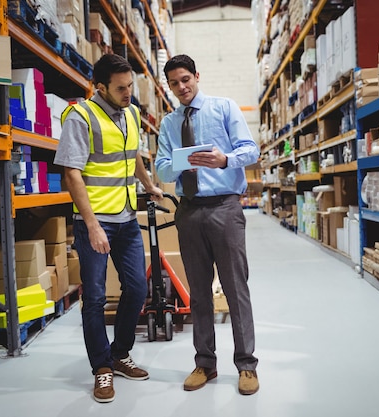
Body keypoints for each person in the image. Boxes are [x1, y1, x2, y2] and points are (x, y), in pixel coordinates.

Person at [54, 53, 163, 403]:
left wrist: (148, 185)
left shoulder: (131, 113)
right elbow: (72, 172)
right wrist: (91, 225)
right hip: (95, 222)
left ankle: (119, 353)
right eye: (120, 88)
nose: (128, 92)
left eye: (130, 85)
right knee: (96, 297)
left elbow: (133, 155)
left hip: (127, 217)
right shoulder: (81, 116)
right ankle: (101, 367)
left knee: (137, 287)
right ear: (100, 87)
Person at [154, 54, 260, 395]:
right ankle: (205, 364)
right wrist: (178, 166)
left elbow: (251, 150)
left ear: (197, 76)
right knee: (199, 293)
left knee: (235, 289)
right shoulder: (169, 124)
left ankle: (246, 366)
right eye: (174, 83)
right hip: (189, 210)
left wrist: (224, 159)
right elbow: (161, 167)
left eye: (186, 79)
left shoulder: (224, 108)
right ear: (169, 86)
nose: (182, 87)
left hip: (224, 208)